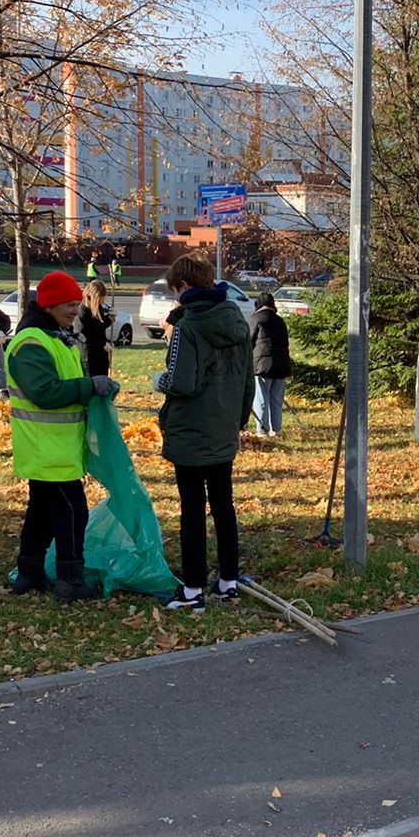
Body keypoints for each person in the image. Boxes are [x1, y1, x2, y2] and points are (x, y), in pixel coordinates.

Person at [6, 272, 119, 602]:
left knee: (41, 513)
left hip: (56, 447)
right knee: (72, 512)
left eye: (77, 304)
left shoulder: (54, 337)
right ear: (51, 305)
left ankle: (28, 575)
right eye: (70, 305)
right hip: (47, 448)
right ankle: (70, 581)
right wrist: (90, 386)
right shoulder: (31, 343)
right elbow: (46, 392)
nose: (75, 311)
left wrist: (94, 387)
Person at [154, 254, 255, 612]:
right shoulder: (238, 322)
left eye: (174, 290)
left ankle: (193, 590)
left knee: (192, 511)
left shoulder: (188, 326)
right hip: (224, 428)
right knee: (224, 506)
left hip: (192, 431)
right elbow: (247, 381)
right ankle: (228, 581)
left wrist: (159, 381)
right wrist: (239, 420)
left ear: (183, 286)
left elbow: (182, 382)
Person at [249, 292, 292, 438]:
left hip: (262, 366)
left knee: (261, 398)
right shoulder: (280, 321)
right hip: (281, 366)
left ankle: (262, 429)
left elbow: (248, 342)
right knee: (276, 400)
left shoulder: (256, 319)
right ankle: (276, 429)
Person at [77, 280, 114, 377]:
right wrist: (102, 343)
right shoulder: (82, 312)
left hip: (101, 355)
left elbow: (100, 326)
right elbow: (85, 336)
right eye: (100, 299)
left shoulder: (98, 308)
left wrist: (110, 318)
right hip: (89, 357)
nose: (102, 302)